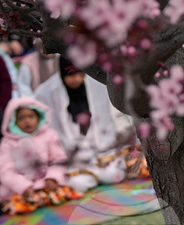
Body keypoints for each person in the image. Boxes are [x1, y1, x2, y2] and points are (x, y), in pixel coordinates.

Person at [34, 60, 136, 193]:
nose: (76, 79)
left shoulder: (97, 83)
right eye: (70, 76)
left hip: (101, 149)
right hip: (73, 154)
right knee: (78, 183)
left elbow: (116, 114)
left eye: (80, 74)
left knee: (114, 174)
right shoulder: (46, 92)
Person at [0, 97, 81, 214]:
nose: (27, 121)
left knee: (66, 191)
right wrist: (23, 186)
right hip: (20, 190)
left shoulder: (49, 135)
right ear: (13, 121)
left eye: (31, 116)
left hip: (45, 184)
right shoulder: (7, 142)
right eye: (21, 118)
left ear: (39, 117)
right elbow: (4, 169)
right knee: (18, 204)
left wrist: (52, 177)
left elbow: (59, 159)